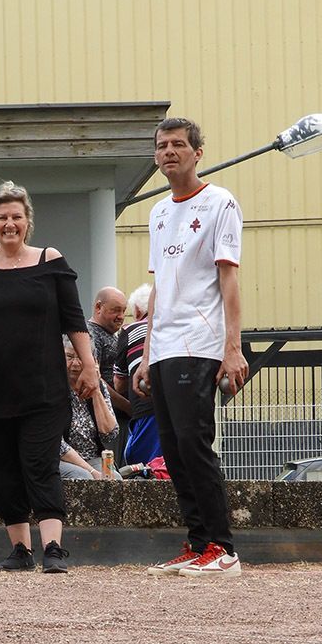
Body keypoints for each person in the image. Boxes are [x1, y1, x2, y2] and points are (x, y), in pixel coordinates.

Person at [0, 180, 99, 573]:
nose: (9, 224)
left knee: (39, 464)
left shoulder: (51, 261)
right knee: (2, 470)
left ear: (27, 221)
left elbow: (74, 321)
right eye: (2, 217)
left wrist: (89, 365)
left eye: (16, 217)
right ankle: (21, 550)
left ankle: (53, 548)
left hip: (43, 390)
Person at [133, 117, 247, 577]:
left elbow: (229, 277)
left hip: (199, 341)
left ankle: (223, 547)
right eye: (162, 145)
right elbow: (159, 286)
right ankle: (198, 542)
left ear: (197, 153)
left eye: (178, 144)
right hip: (162, 345)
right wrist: (145, 355)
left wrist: (233, 347)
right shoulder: (158, 212)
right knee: (173, 450)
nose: (169, 152)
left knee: (193, 441)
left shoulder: (221, 202)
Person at [114, 282, 162, 466]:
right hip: (178, 407)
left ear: (137, 310)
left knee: (142, 464)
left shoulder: (130, 330)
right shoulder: (171, 327)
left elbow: (119, 384)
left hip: (146, 409)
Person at [59, 339, 121, 480]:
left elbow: (110, 434)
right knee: (83, 476)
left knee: (114, 479)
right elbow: (58, 445)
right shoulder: (54, 388)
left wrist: (96, 390)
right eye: (69, 357)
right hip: (61, 458)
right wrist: (92, 472)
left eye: (80, 358)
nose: (75, 363)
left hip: (92, 457)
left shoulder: (99, 387)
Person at [86, 286, 131, 428]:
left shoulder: (112, 335)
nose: (121, 316)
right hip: (106, 421)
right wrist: (128, 407)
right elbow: (94, 379)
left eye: (123, 310)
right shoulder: (91, 334)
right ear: (98, 307)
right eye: (116, 310)